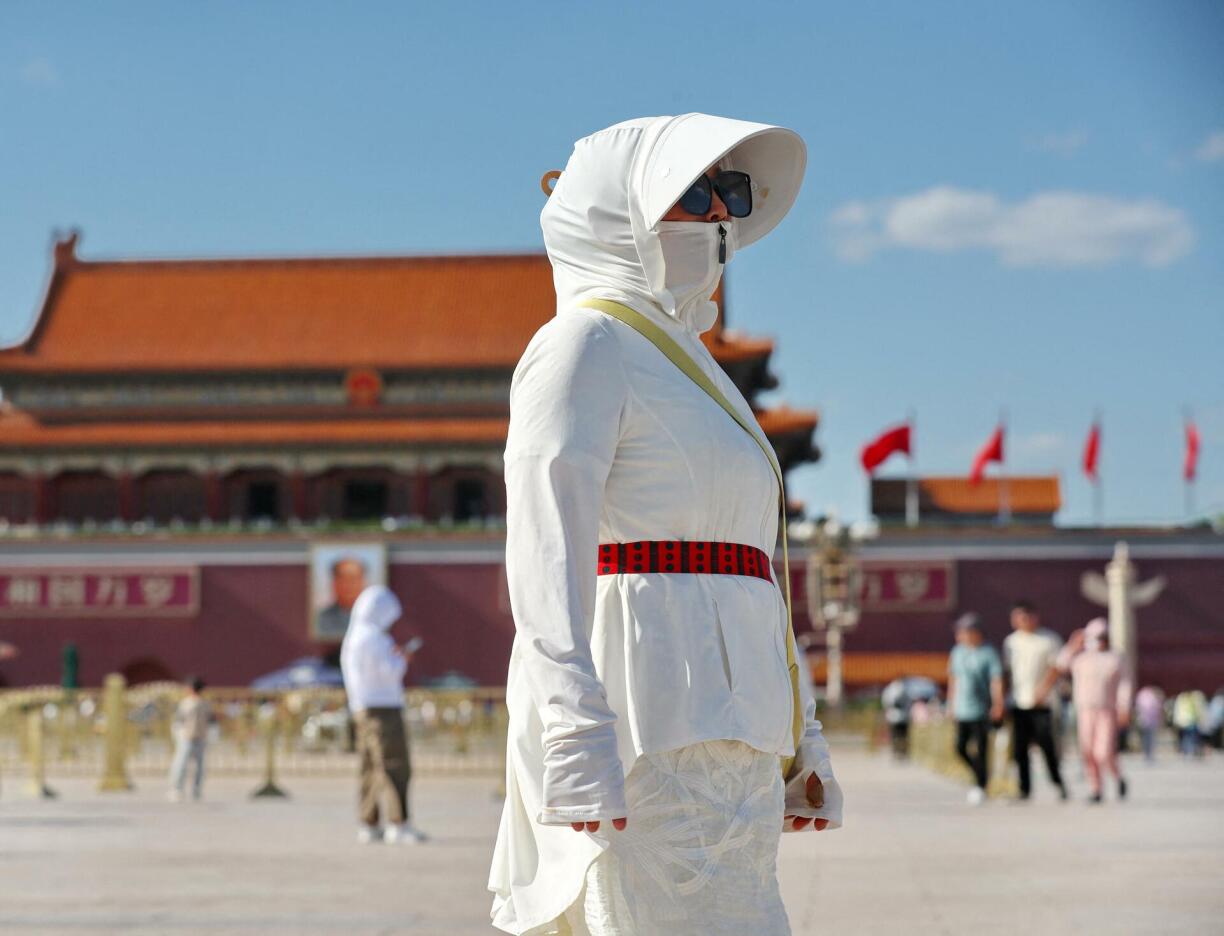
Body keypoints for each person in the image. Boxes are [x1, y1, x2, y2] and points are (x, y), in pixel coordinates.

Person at [488, 114, 843, 935]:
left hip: (739, 730)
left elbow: (759, 567)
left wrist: (803, 735)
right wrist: (574, 730)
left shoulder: (702, 374)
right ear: (622, 209)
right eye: (696, 193)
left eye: (732, 193)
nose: (722, 214)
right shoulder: (582, 344)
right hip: (637, 719)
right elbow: (545, 554)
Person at [339, 584, 426, 845]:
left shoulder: (353, 637)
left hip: (361, 708)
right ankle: (398, 824)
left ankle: (369, 822)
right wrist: (402, 659)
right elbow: (389, 673)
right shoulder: (376, 638)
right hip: (385, 709)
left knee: (369, 768)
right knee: (394, 765)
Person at [1003, 599, 1068, 801]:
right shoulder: (1011, 642)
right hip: (1018, 701)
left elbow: (1056, 668)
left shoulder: (1048, 639)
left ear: (1034, 616)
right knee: (1020, 749)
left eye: (1026, 616)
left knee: (1047, 747)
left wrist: (1043, 690)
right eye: (1018, 617)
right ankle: (1024, 789)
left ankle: (1058, 783)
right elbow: (1008, 672)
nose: (1022, 620)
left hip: (1043, 703)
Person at [1067, 619, 1132, 804]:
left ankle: (1117, 776)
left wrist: (1124, 708)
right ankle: (1096, 789)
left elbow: (1125, 685)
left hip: (1107, 710)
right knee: (1087, 750)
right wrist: (1073, 644)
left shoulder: (1116, 658)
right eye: (1096, 637)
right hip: (1084, 710)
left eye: (1103, 637)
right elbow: (1061, 664)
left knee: (1103, 752)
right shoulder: (1081, 658)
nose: (1100, 641)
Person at [947, 613, 1004, 805]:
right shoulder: (957, 653)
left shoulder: (988, 653)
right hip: (962, 709)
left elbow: (996, 680)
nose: (961, 636)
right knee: (960, 747)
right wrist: (950, 704)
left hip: (981, 709)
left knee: (981, 749)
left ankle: (981, 785)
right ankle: (980, 774)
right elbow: (953, 680)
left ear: (976, 633)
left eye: (965, 632)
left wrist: (998, 704)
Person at [167, 676, 211, 802]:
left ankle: (196, 789)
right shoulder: (186, 703)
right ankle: (176, 788)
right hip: (186, 737)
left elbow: (210, 721)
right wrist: (179, 734)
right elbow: (178, 721)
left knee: (200, 766)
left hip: (200, 737)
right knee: (181, 764)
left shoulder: (204, 704)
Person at [315, 556, 368, 641]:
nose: (349, 585)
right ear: (334, 583)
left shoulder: (373, 617)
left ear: (363, 582)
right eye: (344, 579)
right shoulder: (321, 618)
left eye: (354, 579)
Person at [881, 677, 914, 759]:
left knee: (896, 735)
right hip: (901, 717)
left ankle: (897, 751)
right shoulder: (905, 690)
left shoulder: (889, 690)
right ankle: (902, 752)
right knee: (902, 735)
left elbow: (885, 703)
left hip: (895, 716)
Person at [1133, 685, 1165, 762]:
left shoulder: (1142, 695)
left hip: (1145, 721)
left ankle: (1148, 754)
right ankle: (1148, 754)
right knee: (1149, 738)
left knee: (1147, 738)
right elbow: (1158, 709)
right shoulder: (1154, 696)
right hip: (1149, 721)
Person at [1172, 689, 1207, 757]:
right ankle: (1189, 751)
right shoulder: (1190, 699)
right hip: (1189, 721)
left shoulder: (1181, 699)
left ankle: (1187, 751)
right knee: (1190, 737)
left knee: (1187, 737)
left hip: (1186, 721)